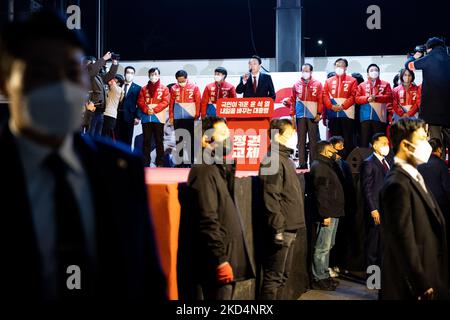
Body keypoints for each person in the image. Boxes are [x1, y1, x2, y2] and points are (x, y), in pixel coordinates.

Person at [0, 11, 165, 302]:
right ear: (5, 81)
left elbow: (147, 279)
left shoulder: (122, 168)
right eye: (41, 73)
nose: (60, 86)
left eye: (71, 72)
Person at [380, 118, 448, 300]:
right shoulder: (397, 184)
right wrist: (420, 283)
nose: (427, 145)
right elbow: (402, 238)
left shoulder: (415, 176)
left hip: (430, 272)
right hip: (414, 286)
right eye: (422, 139)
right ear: (406, 145)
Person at [186, 117, 253, 300]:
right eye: (222, 134)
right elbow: (207, 218)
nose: (228, 138)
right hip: (217, 260)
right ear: (205, 139)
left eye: (228, 133)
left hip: (228, 254)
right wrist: (220, 260)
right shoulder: (203, 171)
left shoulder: (218, 168)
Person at [258, 119, 306, 299]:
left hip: (291, 226)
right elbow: (270, 196)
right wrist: (277, 227)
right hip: (281, 228)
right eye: (290, 134)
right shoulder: (272, 159)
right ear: (277, 136)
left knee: (283, 277)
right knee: (274, 278)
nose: (294, 137)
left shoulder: (285, 158)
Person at [406, 37, 450, 163]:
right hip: (448, 111)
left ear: (429, 48)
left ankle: (438, 167)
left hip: (432, 112)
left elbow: (408, 65)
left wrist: (416, 55)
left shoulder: (427, 59)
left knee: (436, 143)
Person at [310, 140, 345, 290]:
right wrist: (325, 214)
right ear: (325, 150)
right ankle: (319, 277)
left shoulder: (327, 165)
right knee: (322, 247)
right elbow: (321, 193)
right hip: (327, 213)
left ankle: (324, 274)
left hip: (334, 211)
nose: (334, 150)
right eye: (331, 148)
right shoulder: (319, 167)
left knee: (328, 245)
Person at [361, 133, 391, 268]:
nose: (387, 146)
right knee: (373, 244)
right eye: (383, 143)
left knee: (382, 244)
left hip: (386, 208)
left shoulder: (387, 162)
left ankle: (381, 275)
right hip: (376, 209)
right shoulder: (369, 163)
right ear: (375, 145)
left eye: (387, 143)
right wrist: (373, 209)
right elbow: (367, 189)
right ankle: (373, 278)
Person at [287, 63, 323, 169]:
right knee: (301, 140)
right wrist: (292, 114)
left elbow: (320, 100)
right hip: (300, 116)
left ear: (311, 72)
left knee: (313, 140)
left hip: (312, 115)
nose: (305, 73)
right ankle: (302, 163)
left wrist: (319, 113)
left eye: (307, 71)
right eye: (303, 71)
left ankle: (313, 163)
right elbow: (293, 100)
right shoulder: (296, 84)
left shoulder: (318, 84)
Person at [323, 58, 358, 158]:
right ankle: (334, 160)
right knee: (334, 139)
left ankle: (348, 162)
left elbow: (353, 96)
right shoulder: (328, 81)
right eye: (337, 65)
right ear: (334, 67)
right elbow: (324, 95)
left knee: (347, 139)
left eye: (341, 65)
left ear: (346, 68)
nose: (339, 67)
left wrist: (343, 106)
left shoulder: (352, 80)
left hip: (347, 114)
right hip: (333, 114)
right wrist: (331, 106)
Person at [137, 67, 170, 167]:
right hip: (146, 118)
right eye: (151, 74)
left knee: (159, 140)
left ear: (159, 75)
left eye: (155, 74)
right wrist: (147, 110)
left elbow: (165, 102)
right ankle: (146, 162)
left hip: (158, 118)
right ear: (149, 76)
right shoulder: (144, 89)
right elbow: (140, 101)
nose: (153, 76)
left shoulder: (164, 88)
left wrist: (154, 110)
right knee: (146, 140)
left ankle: (160, 163)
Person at [418, 138, 450, 238]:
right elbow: (447, 187)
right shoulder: (441, 165)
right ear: (440, 149)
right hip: (441, 207)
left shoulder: (419, 164)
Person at [169, 70, 201, 167]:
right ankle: (180, 162)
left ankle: (191, 161)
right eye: (179, 81)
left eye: (183, 80)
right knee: (179, 140)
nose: (181, 83)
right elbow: (171, 104)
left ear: (186, 78)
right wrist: (171, 116)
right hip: (178, 117)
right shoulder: (174, 88)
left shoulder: (194, 87)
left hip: (190, 117)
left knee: (191, 140)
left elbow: (198, 101)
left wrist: (197, 115)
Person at [356, 64, 392, 147]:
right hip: (365, 116)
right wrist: (367, 99)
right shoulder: (362, 85)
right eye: (371, 70)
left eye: (376, 70)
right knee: (364, 140)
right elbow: (357, 99)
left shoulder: (385, 84)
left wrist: (376, 98)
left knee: (379, 140)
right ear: (367, 74)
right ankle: (364, 159)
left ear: (379, 73)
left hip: (379, 116)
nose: (374, 72)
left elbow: (389, 97)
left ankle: (380, 158)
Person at [84, 52, 119, 137]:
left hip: (100, 111)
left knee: (97, 136)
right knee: (90, 135)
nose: (95, 64)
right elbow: (92, 70)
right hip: (90, 110)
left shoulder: (98, 76)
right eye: (93, 63)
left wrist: (115, 63)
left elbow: (110, 76)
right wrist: (103, 59)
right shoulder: (86, 74)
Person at [115, 66, 142, 147]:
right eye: (128, 72)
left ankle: (127, 158)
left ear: (134, 75)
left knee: (128, 138)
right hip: (117, 115)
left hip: (129, 117)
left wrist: (138, 117)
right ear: (124, 73)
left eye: (131, 73)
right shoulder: (119, 85)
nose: (129, 75)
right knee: (117, 138)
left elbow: (140, 104)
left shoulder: (137, 88)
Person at [102, 74, 124, 138]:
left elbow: (109, 80)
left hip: (109, 115)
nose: (113, 80)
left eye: (115, 79)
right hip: (109, 115)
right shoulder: (113, 89)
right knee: (105, 135)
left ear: (119, 83)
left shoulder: (117, 89)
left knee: (105, 136)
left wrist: (109, 72)